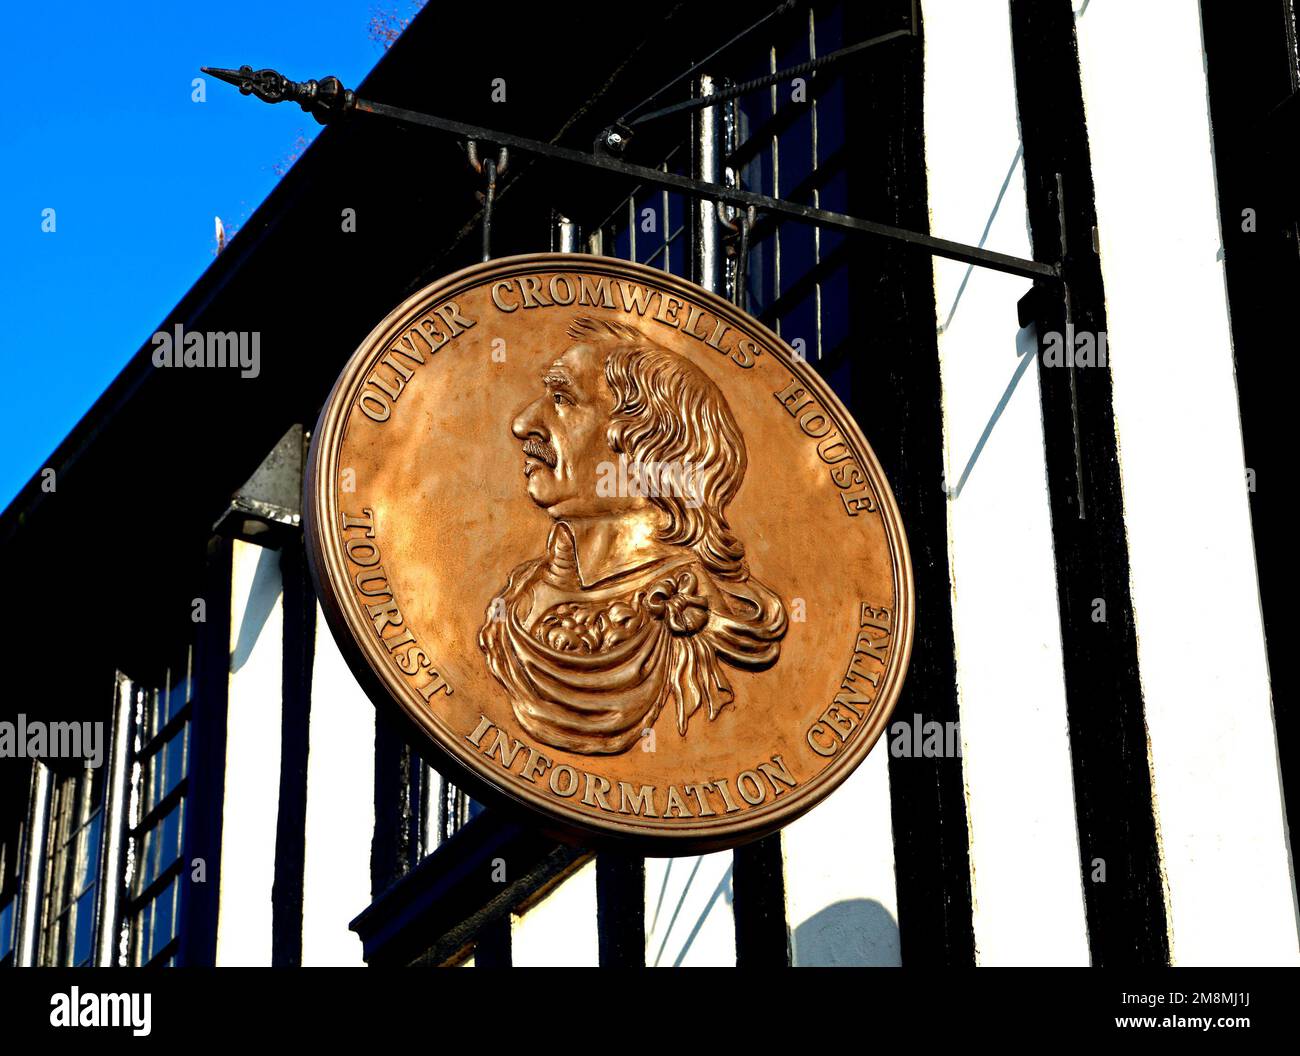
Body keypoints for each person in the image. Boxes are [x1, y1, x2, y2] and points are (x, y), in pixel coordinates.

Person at [479, 315, 787, 756]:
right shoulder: (514, 600)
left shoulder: (703, 616)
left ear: (646, 445)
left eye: (563, 398)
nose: (524, 423)